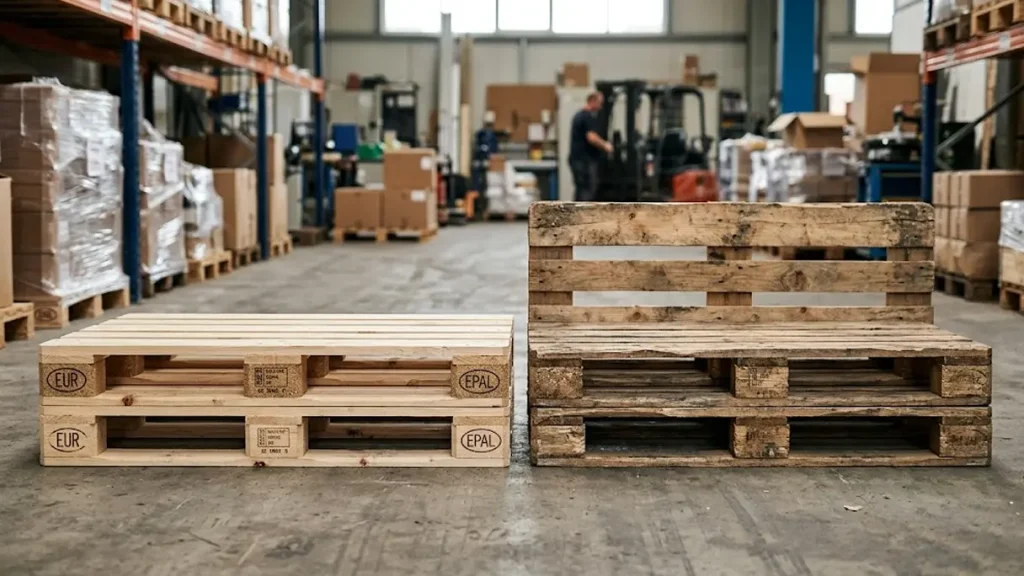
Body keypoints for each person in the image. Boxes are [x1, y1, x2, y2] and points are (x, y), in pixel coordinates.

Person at [568, 92, 613, 202]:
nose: (601, 107)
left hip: (577, 160)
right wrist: (606, 145)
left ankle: (578, 211)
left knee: (581, 189)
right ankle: (582, 212)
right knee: (588, 190)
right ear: (592, 101)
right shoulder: (587, 116)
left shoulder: (578, 115)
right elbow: (591, 137)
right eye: (600, 103)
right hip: (585, 161)